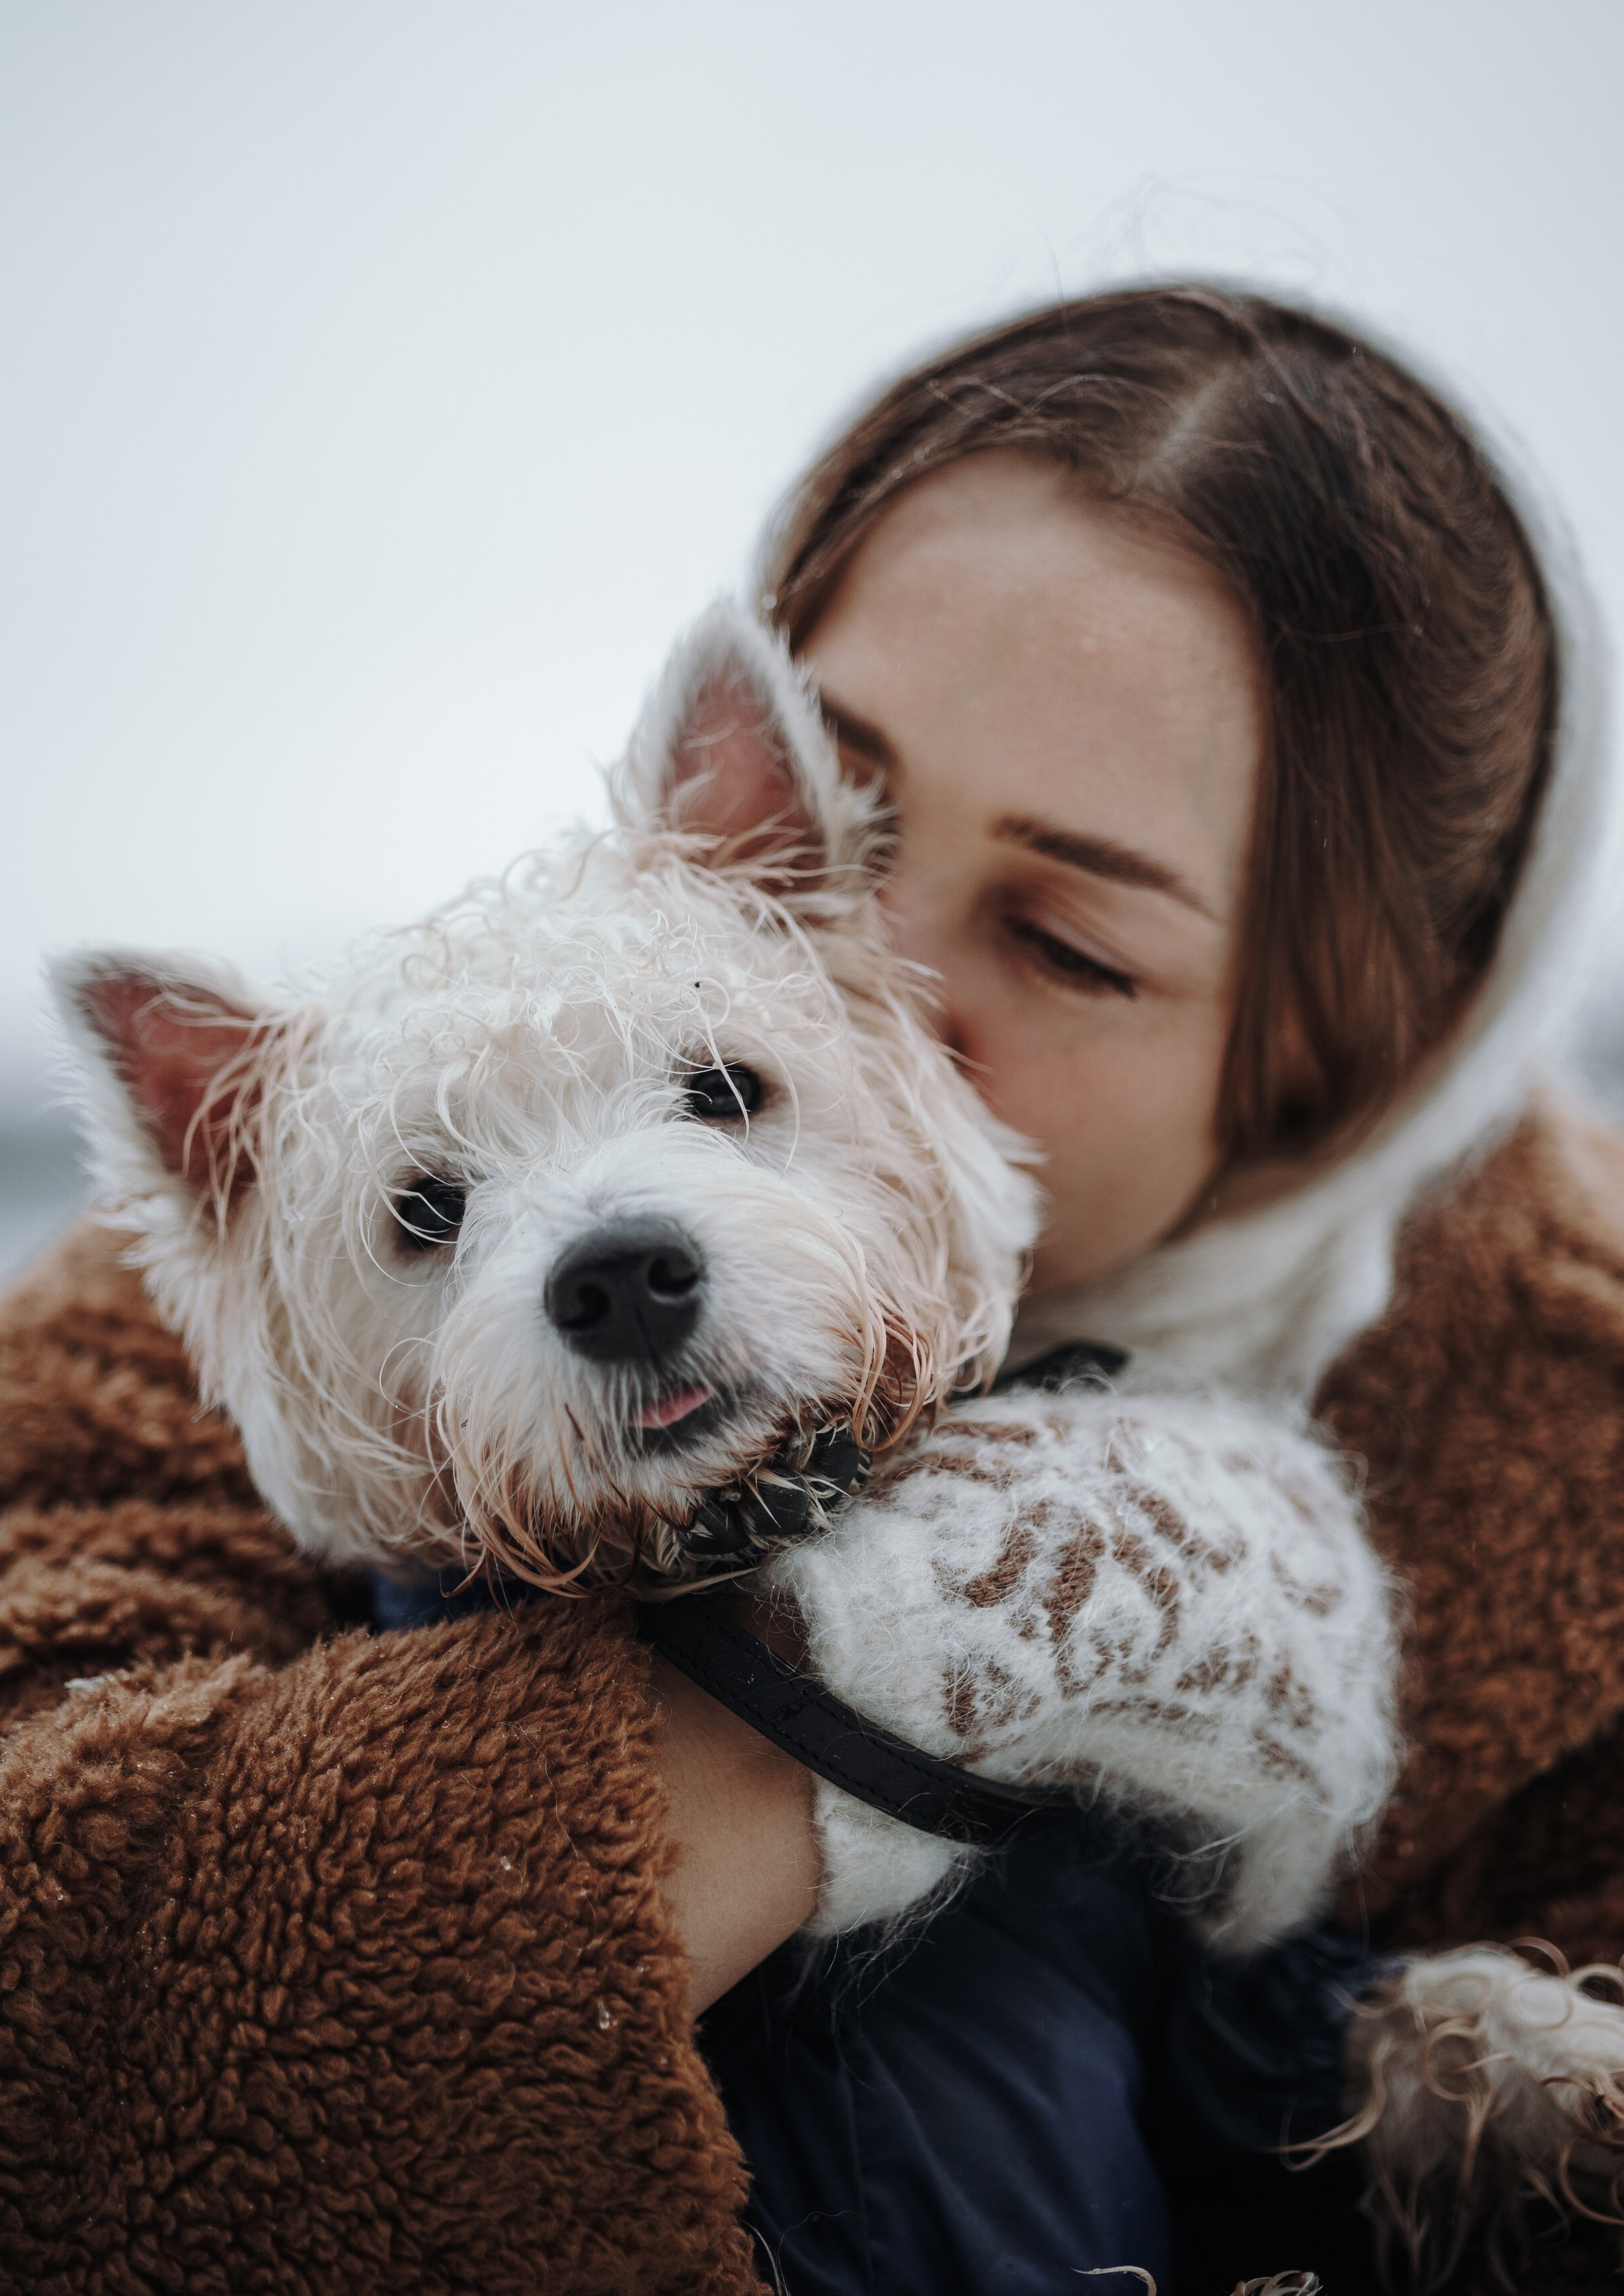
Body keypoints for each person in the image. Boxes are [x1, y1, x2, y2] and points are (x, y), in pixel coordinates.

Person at [3, 284, 1621, 2293]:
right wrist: (892, 1672)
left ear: (1343, 1056)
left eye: (1066, 936)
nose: (863, 976)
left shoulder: (1580, 1438)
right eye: (812, 828)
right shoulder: (212, 1305)